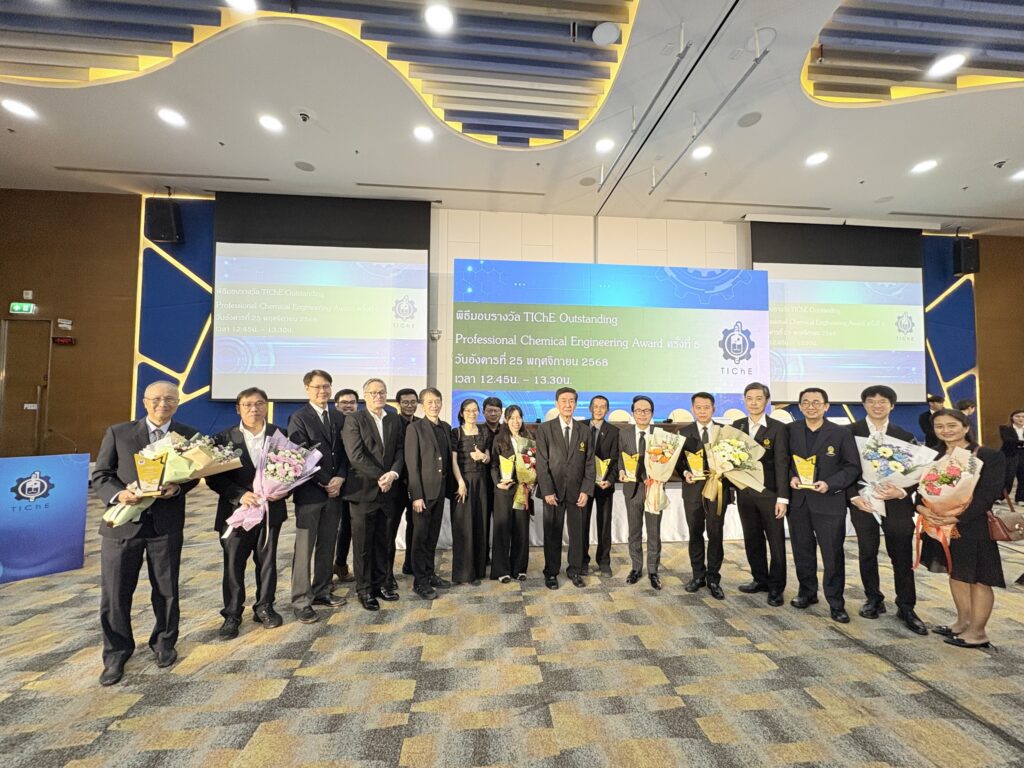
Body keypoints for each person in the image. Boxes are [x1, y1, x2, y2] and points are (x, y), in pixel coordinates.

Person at [92, 380, 199, 686]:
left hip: (165, 524)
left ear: (177, 403)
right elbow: (101, 474)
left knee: (166, 589)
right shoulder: (119, 432)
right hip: (124, 524)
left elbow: (194, 475)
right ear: (145, 401)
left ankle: (164, 642)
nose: (162, 404)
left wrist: (178, 488)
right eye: (156, 399)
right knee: (115, 592)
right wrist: (119, 495)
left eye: (170, 399)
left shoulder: (188, 435)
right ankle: (116, 653)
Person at [918, 409, 1006, 648]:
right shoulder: (933, 456)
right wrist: (922, 508)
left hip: (973, 526)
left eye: (952, 425)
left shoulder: (988, 456)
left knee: (978, 578)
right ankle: (962, 622)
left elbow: (988, 494)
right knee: (956, 573)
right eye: (939, 426)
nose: (945, 430)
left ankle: (978, 632)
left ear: (966, 427)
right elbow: (917, 489)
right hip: (939, 524)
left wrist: (957, 517)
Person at [847, 385, 928, 634]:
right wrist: (853, 496)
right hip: (863, 500)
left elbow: (917, 471)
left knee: (901, 554)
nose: (877, 405)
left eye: (883, 401)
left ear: (892, 406)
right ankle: (873, 598)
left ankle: (906, 606)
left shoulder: (904, 435)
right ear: (864, 405)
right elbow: (841, 467)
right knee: (867, 551)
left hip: (896, 501)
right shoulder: (849, 432)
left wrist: (902, 491)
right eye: (871, 401)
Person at [207, 388, 287, 639]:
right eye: (248, 404)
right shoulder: (223, 438)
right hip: (236, 513)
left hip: (270, 511)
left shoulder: (280, 435)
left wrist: (283, 490)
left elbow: (292, 470)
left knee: (267, 562)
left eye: (260, 403)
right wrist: (240, 495)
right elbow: (214, 478)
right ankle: (232, 614)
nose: (254, 409)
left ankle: (265, 607)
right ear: (238, 408)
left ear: (266, 406)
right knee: (233, 564)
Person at [786, 387, 860, 623]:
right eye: (806, 402)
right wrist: (791, 477)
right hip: (799, 502)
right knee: (802, 550)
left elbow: (852, 467)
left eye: (816, 402)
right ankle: (807, 592)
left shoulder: (841, 433)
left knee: (832, 554)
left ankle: (836, 603)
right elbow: (782, 461)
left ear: (826, 406)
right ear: (800, 407)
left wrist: (830, 483)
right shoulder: (790, 430)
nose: (811, 406)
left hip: (829, 502)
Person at [287, 370, 348, 624]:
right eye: (317, 387)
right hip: (311, 493)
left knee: (327, 544)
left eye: (326, 386)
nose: (322, 391)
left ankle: (322, 590)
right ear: (307, 389)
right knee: (304, 548)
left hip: (335, 492)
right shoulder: (299, 417)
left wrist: (340, 477)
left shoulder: (338, 416)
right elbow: (300, 455)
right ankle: (301, 600)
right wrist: (325, 481)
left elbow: (344, 451)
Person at [342, 378, 406, 611]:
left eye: (382, 392)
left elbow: (400, 450)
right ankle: (364, 590)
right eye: (373, 392)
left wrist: (393, 474)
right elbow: (355, 456)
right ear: (365, 396)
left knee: (384, 542)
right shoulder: (354, 419)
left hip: (389, 492)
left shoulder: (394, 418)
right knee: (363, 546)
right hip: (363, 492)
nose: (378, 396)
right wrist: (382, 476)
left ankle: (381, 584)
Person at [732, 382, 789, 607]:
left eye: (758, 398)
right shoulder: (737, 426)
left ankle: (776, 587)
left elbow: (782, 464)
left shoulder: (778, 428)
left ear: (767, 400)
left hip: (770, 494)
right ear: (744, 400)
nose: (754, 402)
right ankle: (760, 579)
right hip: (745, 493)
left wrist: (782, 497)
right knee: (752, 539)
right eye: (749, 398)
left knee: (776, 542)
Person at [535, 387, 595, 589]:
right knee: (553, 533)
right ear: (556, 403)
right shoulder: (545, 429)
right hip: (553, 491)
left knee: (577, 534)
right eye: (564, 400)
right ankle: (551, 572)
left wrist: (586, 490)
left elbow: (590, 463)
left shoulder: (584, 430)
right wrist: (547, 490)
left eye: (571, 401)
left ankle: (575, 570)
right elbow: (541, 463)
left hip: (577, 492)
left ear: (576, 404)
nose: (568, 404)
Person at [403, 387, 454, 600]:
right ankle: (420, 581)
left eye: (437, 401)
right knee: (420, 538)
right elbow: (411, 465)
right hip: (422, 494)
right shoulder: (414, 428)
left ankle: (430, 573)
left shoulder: (446, 427)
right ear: (423, 405)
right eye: (430, 402)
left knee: (432, 536)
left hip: (439, 491)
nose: (434, 405)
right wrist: (416, 495)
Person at [680, 392, 726, 599]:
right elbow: (677, 461)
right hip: (692, 491)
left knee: (715, 534)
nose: (702, 411)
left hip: (717, 491)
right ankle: (698, 576)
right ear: (692, 409)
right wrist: (685, 472)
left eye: (706, 407)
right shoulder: (683, 432)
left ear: (713, 409)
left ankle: (714, 579)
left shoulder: (724, 432)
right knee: (695, 533)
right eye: (698, 407)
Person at [619, 395, 663, 590]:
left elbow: (668, 460)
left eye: (646, 411)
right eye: (638, 410)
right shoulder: (624, 434)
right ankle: (636, 568)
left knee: (654, 533)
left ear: (652, 413)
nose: (642, 414)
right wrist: (621, 470)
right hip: (632, 490)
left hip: (654, 489)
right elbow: (620, 457)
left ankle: (653, 570)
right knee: (634, 531)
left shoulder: (661, 434)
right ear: (633, 413)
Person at [450, 398, 492, 584]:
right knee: (464, 527)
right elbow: (453, 460)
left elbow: (488, 458)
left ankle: (478, 570)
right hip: (464, 482)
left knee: (480, 525)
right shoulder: (456, 432)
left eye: (475, 410)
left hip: (482, 483)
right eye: (468, 410)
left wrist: (483, 457)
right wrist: (460, 482)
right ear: (461, 413)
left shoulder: (484, 431)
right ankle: (464, 573)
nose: (472, 413)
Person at [490, 404, 533, 583]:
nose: (516, 421)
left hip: (522, 490)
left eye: (518, 417)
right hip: (504, 491)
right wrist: (497, 482)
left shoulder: (528, 439)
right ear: (506, 420)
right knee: (502, 530)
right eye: (512, 418)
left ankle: (519, 568)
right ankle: (502, 570)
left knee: (521, 530)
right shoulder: (499, 440)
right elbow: (493, 465)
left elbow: (532, 465)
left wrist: (532, 481)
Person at [582, 395, 618, 577]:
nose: (598, 410)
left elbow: (617, 460)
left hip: (604, 485)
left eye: (602, 406)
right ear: (590, 408)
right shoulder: (580, 427)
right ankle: (582, 561)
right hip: (583, 485)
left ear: (607, 410)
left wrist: (610, 480)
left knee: (604, 524)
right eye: (595, 406)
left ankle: (604, 562)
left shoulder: (614, 431)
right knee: (582, 523)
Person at [332, 388, 359, 584]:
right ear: (336, 404)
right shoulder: (331, 423)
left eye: (352, 402)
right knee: (331, 530)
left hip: (355, 485)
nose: (348, 405)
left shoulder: (359, 422)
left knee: (348, 527)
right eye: (344, 402)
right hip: (331, 483)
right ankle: (324, 575)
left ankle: (340, 564)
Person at [394, 387, 419, 579]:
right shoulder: (391, 423)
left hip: (416, 483)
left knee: (415, 525)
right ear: (398, 404)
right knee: (391, 527)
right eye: (405, 402)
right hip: (395, 484)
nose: (409, 405)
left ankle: (410, 563)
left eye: (413, 402)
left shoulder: (421, 424)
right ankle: (386, 574)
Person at [998, 410, 1024, 501]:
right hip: (1009, 454)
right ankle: (1000, 497)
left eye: (1023, 417)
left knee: (1022, 476)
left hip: (1022, 454)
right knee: (1008, 476)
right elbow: (1008, 440)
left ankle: (1020, 498)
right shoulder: (1005, 428)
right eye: (1018, 416)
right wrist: (1021, 443)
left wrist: (1019, 443)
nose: (1021, 418)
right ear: (1012, 418)